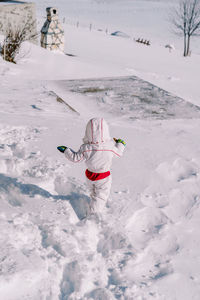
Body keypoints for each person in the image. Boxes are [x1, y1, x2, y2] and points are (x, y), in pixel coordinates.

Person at [57, 117, 126, 216]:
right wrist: (120, 144)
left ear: (88, 132)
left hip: (90, 175)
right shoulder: (110, 147)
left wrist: (66, 150)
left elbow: (76, 158)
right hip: (104, 177)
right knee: (101, 196)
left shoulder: (86, 148)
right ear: (106, 131)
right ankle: (93, 215)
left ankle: (93, 203)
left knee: (93, 191)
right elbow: (118, 153)